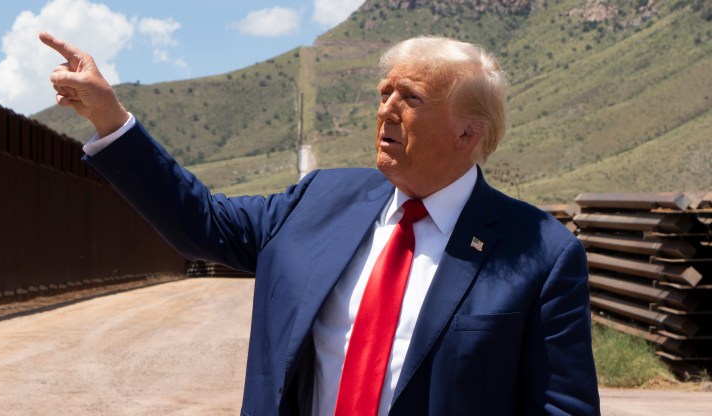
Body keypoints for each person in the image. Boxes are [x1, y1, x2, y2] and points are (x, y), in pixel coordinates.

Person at [40, 32, 600, 415]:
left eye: (412, 98)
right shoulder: (319, 199)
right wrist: (109, 118)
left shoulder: (540, 254)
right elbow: (202, 221)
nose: (386, 110)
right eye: (384, 94)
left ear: (468, 134)